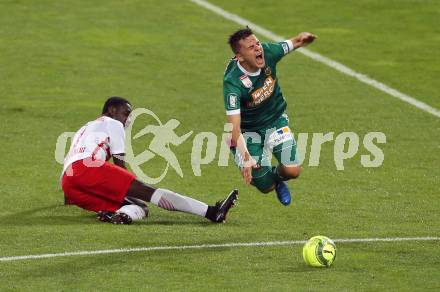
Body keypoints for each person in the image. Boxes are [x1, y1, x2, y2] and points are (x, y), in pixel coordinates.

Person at [61, 96, 238, 224]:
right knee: (150, 193)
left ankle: (122, 216)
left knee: (139, 206)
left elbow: (72, 159)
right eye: (126, 113)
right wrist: (136, 186)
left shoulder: (84, 128)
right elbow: (119, 162)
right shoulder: (113, 123)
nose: (128, 119)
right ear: (112, 110)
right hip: (88, 169)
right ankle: (212, 212)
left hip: (69, 183)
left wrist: (69, 196)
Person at [223, 27, 316, 206]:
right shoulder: (233, 83)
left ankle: (279, 177)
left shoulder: (267, 52)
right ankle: (239, 152)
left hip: (275, 120)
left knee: (293, 171)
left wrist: (302, 38)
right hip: (247, 131)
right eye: (251, 47)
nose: (258, 48)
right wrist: (247, 157)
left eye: (257, 43)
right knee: (266, 187)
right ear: (240, 57)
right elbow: (234, 127)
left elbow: (291, 43)